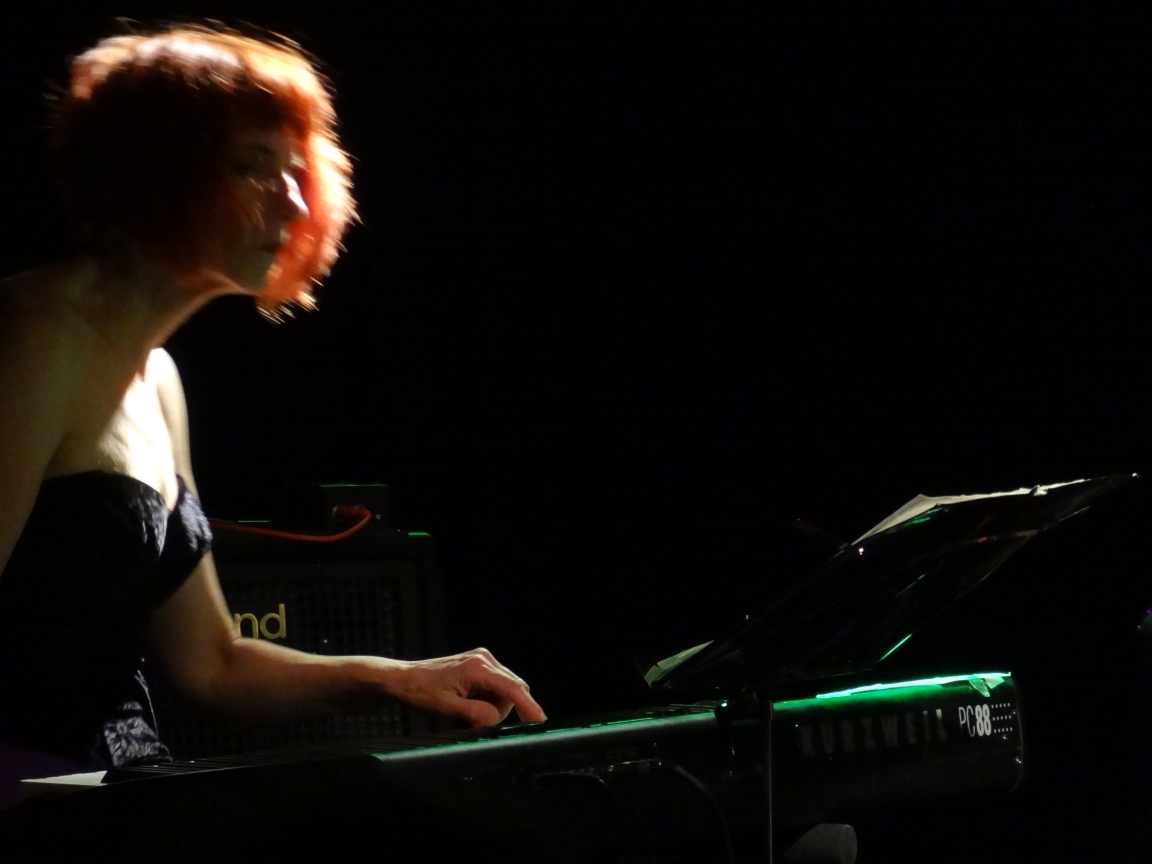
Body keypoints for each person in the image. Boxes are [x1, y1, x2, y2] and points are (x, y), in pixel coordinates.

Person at [0, 24, 545, 807]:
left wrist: (401, 678)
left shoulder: (159, 379)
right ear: (154, 169)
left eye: (297, 174)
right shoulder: (36, 333)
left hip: (122, 796)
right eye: (253, 167)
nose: (293, 203)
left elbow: (212, 665)